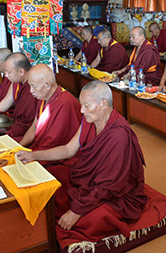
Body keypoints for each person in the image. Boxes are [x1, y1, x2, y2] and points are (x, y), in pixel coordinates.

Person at [16, 81, 148, 248]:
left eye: (86, 105)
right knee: (52, 182)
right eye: (81, 105)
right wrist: (33, 155)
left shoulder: (119, 135)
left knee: (90, 221)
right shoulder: (89, 119)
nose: (81, 110)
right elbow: (68, 149)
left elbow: (109, 186)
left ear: (103, 104)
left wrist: (76, 212)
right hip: (89, 182)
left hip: (116, 193)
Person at [18, 64, 82, 166]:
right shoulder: (43, 98)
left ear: (47, 85)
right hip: (40, 150)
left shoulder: (65, 103)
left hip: (56, 157)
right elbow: (34, 127)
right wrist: (18, 147)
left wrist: (32, 155)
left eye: (33, 86)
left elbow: (54, 142)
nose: (31, 91)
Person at [0, 53, 37, 141]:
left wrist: (7, 131)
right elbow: (5, 102)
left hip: (27, 131)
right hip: (17, 124)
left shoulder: (36, 87)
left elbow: (31, 123)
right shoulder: (16, 83)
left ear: (21, 72)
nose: (6, 76)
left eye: (9, 72)